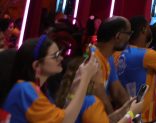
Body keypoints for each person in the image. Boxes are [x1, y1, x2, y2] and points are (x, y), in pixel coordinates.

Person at [0, 36, 143, 123]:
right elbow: (64, 120)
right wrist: (86, 78)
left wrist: (125, 111)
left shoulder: (42, 91)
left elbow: (65, 115)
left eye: (59, 54)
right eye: (55, 56)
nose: (61, 58)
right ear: (37, 65)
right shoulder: (25, 89)